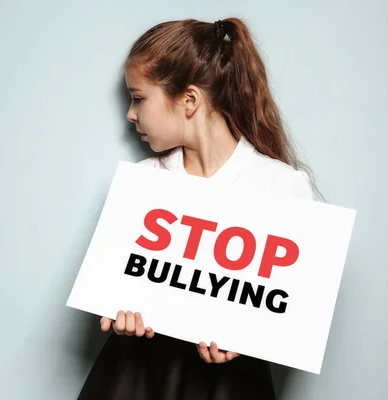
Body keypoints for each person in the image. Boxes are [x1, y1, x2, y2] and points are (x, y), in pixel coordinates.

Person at [78, 17, 318, 400]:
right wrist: (120, 314)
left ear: (188, 100)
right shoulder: (142, 182)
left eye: (138, 98)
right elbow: (115, 291)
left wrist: (247, 338)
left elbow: (294, 316)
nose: (130, 114)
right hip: (138, 378)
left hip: (228, 386)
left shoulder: (281, 186)